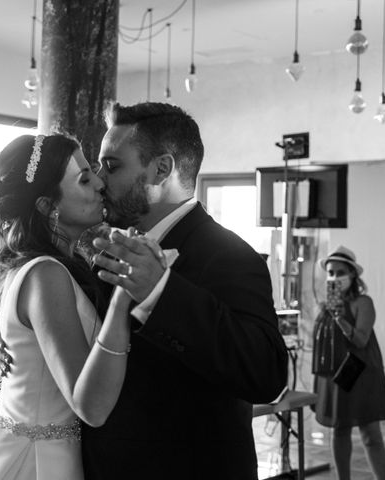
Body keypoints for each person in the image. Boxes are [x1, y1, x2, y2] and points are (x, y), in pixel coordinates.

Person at [0, 133, 141, 480]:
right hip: (35, 459)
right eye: (83, 178)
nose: (99, 184)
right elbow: (91, 407)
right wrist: (125, 297)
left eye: (92, 170)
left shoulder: (47, 263)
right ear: (48, 206)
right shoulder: (47, 274)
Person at [79, 101, 289, 479]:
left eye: (111, 166)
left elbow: (266, 374)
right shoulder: (107, 245)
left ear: (162, 169)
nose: (98, 179)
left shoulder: (230, 256)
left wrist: (161, 292)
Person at [312, 246, 385, 480]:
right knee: (340, 429)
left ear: (352, 275)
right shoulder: (325, 307)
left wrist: (341, 320)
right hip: (335, 373)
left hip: (361, 372)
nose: (334, 278)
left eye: (339, 272)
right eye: (330, 272)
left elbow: (361, 339)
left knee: (371, 434)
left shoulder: (363, 302)